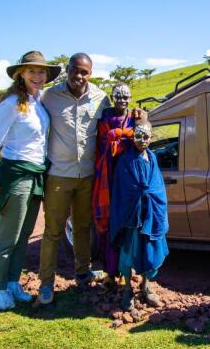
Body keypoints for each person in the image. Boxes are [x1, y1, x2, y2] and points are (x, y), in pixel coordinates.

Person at [0, 50, 60, 310]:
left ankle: (13, 282)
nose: (37, 76)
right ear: (21, 74)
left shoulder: (38, 103)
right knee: (8, 235)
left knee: (24, 234)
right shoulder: (12, 103)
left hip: (36, 174)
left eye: (41, 72)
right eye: (32, 71)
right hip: (16, 174)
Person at [36, 53, 111, 305]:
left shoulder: (101, 98)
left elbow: (111, 124)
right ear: (67, 70)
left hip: (88, 176)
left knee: (82, 227)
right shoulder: (49, 96)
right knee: (53, 231)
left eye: (84, 72)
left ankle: (83, 273)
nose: (78, 76)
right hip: (59, 175)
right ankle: (46, 284)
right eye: (74, 70)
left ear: (91, 73)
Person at [108, 120, 169, 311]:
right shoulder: (125, 160)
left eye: (146, 136)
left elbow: (157, 187)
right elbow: (122, 190)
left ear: (151, 138)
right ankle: (127, 289)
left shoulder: (153, 158)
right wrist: (138, 196)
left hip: (149, 215)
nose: (142, 140)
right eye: (138, 136)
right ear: (133, 137)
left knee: (148, 251)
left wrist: (150, 197)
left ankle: (145, 286)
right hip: (132, 217)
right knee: (129, 253)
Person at [92, 83, 146, 289]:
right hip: (107, 176)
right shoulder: (105, 118)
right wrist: (122, 137)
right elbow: (104, 144)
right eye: (118, 96)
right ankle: (109, 273)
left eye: (126, 97)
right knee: (108, 226)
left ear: (130, 97)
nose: (122, 100)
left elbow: (142, 138)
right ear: (113, 97)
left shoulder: (134, 118)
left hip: (127, 179)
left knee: (127, 225)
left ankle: (125, 270)